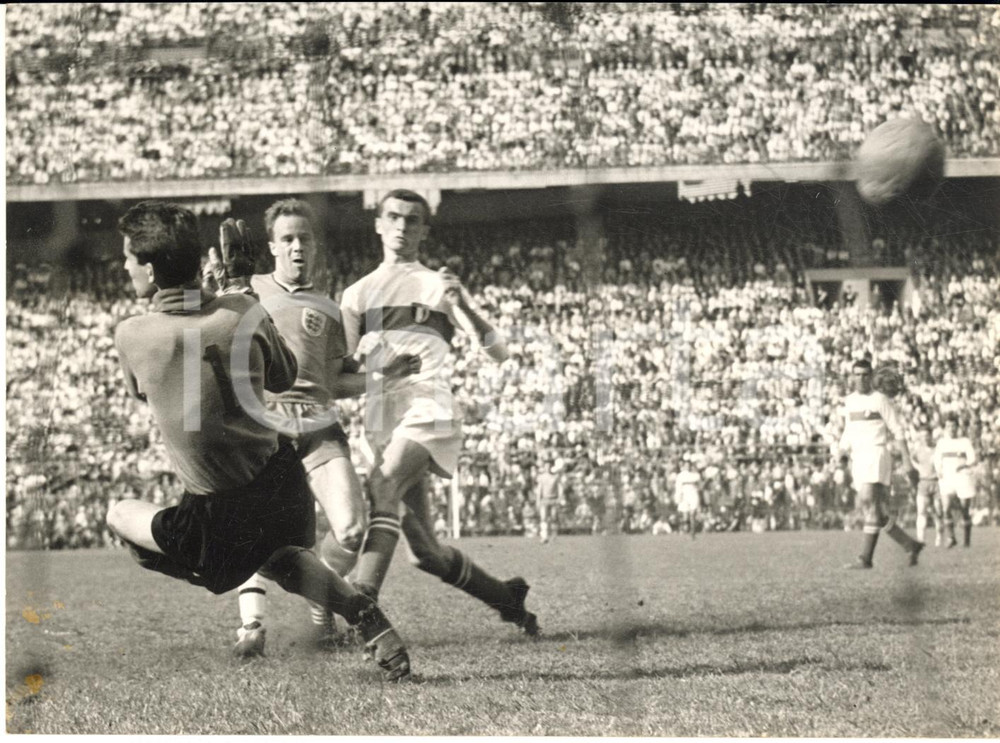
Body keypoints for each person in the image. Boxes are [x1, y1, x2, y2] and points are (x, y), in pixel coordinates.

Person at [106, 200, 411, 681]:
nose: (124, 265)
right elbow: (284, 375)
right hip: (280, 485)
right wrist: (235, 294)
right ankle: (365, 616)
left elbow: (144, 389)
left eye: (128, 257)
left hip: (216, 516)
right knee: (283, 560)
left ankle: (212, 573)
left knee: (118, 514)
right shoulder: (240, 311)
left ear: (149, 267)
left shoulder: (132, 334)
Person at [216, 198, 420, 658]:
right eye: (287, 239)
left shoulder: (327, 309)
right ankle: (252, 628)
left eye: (304, 238)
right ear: (271, 246)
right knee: (255, 533)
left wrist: (387, 376)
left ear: (315, 244)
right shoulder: (246, 292)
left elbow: (336, 381)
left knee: (350, 529)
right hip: (265, 427)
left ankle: (320, 603)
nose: (296, 247)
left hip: (318, 427)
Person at [340, 189, 538, 635]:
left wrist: (462, 304)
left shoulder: (438, 285)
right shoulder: (355, 296)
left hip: (429, 406)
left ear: (424, 230)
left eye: (413, 220)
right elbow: (344, 373)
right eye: (393, 217)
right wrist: (370, 366)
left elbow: (500, 352)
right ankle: (507, 598)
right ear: (377, 223)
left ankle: (361, 605)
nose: (402, 227)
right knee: (424, 552)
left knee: (383, 483)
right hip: (380, 417)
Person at [835, 359, 923, 569]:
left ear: (871, 376)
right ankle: (910, 544)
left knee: (868, 500)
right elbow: (849, 430)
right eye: (857, 374)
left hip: (876, 454)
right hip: (858, 458)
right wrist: (841, 454)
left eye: (865, 374)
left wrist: (907, 461)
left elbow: (898, 430)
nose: (861, 378)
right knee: (873, 510)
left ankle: (865, 558)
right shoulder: (849, 401)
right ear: (852, 376)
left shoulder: (880, 399)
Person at [933, 416, 978, 548]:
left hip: (963, 477)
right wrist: (939, 471)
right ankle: (951, 537)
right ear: (945, 428)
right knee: (946, 507)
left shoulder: (964, 442)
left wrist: (964, 465)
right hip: (947, 478)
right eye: (948, 426)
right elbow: (936, 459)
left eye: (954, 426)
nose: (951, 429)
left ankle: (966, 541)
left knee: (964, 508)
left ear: (957, 427)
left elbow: (973, 458)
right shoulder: (941, 443)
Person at [910, 425, 944, 546]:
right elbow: (911, 459)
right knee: (921, 511)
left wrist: (941, 470)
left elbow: (943, 462)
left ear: (931, 435)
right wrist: (917, 467)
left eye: (927, 435)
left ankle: (939, 539)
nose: (925, 438)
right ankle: (921, 540)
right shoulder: (918, 450)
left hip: (937, 483)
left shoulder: (937, 449)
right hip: (923, 482)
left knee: (938, 512)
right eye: (922, 436)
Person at [535, 458, 563, 544]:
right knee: (543, 518)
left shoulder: (555, 477)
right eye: (546, 466)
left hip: (553, 499)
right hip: (544, 499)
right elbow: (539, 489)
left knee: (554, 518)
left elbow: (560, 487)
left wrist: (560, 498)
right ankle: (544, 537)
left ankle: (554, 536)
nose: (547, 468)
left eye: (549, 466)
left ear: (551, 467)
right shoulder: (541, 477)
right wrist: (538, 500)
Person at [674, 457, 702, 539]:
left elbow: (698, 479)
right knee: (685, 516)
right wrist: (678, 497)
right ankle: (683, 530)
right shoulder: (680, 476)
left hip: (693, 494)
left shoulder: (695, 475)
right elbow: (678, 488)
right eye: (686, 465)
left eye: (689, 465)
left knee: (692, 514)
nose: (688, 467)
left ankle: (692, 532)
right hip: (684, 495)